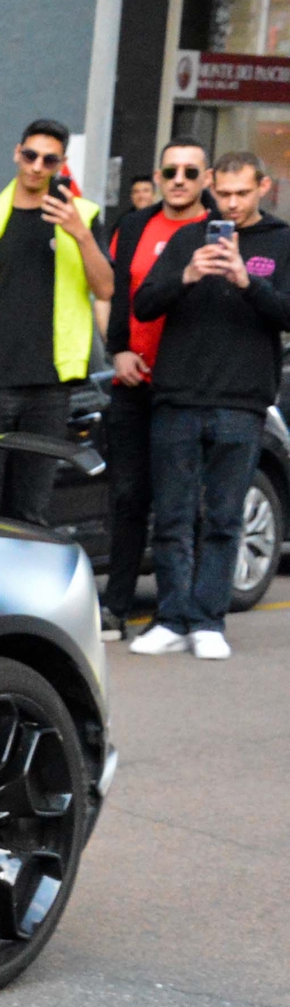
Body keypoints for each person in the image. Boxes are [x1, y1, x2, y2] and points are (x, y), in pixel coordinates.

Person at [125, 149, 290, 661]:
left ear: (263, 187)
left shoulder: (283, 242)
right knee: (172, 516)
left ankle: (208, 619)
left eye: (243, 193)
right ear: (212, 187)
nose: (233, 203)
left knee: (223, 516)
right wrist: (188, 275)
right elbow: (144, 303)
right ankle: (172, 617)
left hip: (241, 402)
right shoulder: (186, 238)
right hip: (177, 396)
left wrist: (246, 280)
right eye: (225, 193)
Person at [0, 119, 114, 524]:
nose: (36, 166)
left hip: (49, 387)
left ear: (61, 164)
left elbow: (105, 289)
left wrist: (79, 234)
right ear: (17, 153)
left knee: (31, 511)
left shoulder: (83, 215)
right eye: (30, 155)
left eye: (48, 160)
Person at [98, 138, 212, 636]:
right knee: (126, 496)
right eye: (171, 171)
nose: (180, 179)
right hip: (133, 379)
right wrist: (117, 348)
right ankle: (116, 606)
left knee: (179, 504)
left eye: (191, 171)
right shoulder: (135, 225)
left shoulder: (218, 230)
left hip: (189, 387)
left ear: (206, 179)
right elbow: (118, 293)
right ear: (159, 177)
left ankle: (180, 613)